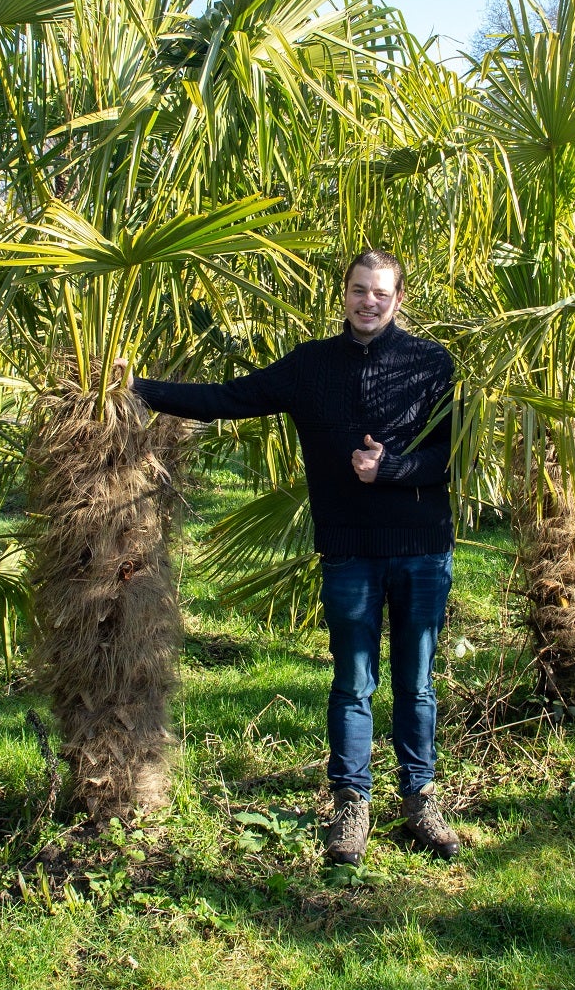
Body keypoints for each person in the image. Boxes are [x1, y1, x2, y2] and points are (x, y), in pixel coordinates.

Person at [123, 248, 460, 864]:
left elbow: (447, 458)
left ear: (399, 299)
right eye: (359, 290)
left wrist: (390, 469)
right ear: (344, 295)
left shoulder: (432, 364)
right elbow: (228, 398)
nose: (369, 302)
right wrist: (138, 388)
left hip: (421, 548)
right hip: (349, 551)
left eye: (381, 293)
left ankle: (420, 799)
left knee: (416, 682)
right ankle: (351, 807)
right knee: (353, 681)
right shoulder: (311, 366)